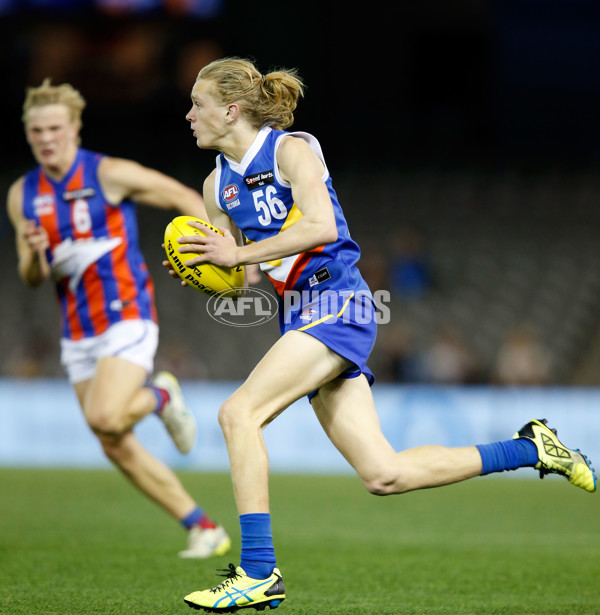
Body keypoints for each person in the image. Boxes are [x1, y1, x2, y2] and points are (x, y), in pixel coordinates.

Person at [172, 58, 596, 612]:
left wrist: (237, 253)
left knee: (237, 414)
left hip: (339, 302)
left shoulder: (290, 150)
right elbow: (244, 277)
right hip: (298, 312)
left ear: (230, 109)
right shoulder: (214, 188)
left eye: (198, 104)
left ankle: (258, 571)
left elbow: (321, 225)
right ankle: (532, 448)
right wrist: (209, 273)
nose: (188, 115)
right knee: (384, 473)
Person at [6, 78, 231, 559]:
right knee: (111, 440)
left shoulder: (107, 173)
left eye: (54, 128)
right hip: (77, 329)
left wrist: (211, 245)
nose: (46, 138)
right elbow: (32, 275)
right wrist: (33, 255)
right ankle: (203, 526)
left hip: (126, 312)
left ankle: (161, 394)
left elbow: (181, 195)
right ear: (28, 134)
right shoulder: (22, 195)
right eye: (37, 130)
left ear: (74, 128)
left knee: (105, 416)